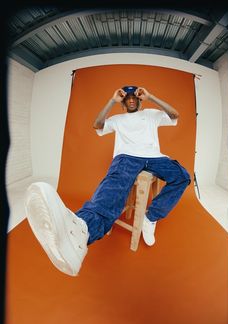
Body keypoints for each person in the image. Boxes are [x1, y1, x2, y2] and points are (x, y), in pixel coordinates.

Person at [25, 86, 191, 277]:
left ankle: (150, 218)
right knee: (112, 190)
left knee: (182, 177)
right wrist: (112, 100)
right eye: (126, 97)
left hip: (155, 157)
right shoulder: (117, 120)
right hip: (126, 158)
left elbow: (174, 114)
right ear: (122, 103)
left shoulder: (151, 114)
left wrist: (151, 96)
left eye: (134, 97)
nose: (130, 99)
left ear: (139, 100)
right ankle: (81, 230)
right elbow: (97, 125)